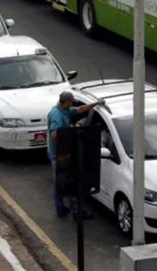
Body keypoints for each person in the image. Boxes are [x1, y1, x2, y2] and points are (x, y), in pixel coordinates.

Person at [47, 91, 105, 220]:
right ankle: (75, 211)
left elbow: (80, 109)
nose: (72, 103)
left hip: (59, 154)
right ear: (66, 102)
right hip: (61, 155)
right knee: (69, 181)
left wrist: (96, 104)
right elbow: (55, 135)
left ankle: (61, 208)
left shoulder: (63, 110)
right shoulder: (57, 116)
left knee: (59, 182)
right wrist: (72, 132)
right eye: (71, 101)